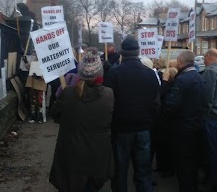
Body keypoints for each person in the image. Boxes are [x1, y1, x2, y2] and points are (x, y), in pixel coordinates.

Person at [49, 47, 114, 192]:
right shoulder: (108, 95)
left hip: (70, 152)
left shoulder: (68, 92)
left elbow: (55, 114)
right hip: (97, 154)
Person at [106, 36, 160, 192]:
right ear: (138, 52)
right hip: (143, 128)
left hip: (121, 128)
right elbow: (157, 103)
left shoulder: (114, 73)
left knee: (120, 171)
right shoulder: (150, 74)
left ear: (122, 52)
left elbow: (110, 102)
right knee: (143, 172)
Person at [161, 50, 206, 192]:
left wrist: (166, 84)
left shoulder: (182, 80)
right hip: (196, 126)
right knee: (193, 163)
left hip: (182, 129)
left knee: (183, 165)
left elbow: (170, 106)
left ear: (181, 61)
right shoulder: (199, 77)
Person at [200, 48, 217, 192]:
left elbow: (207, 98)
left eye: (204, 57)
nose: (203, 59)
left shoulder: (210, 71)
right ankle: (213, 179)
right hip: (216, 115)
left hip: (209, 117)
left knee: (211, 151)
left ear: (210, 56)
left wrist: (203, 115)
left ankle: (214, 182)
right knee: (213, 150)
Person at [24, 51, 47, 124]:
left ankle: (40, 116)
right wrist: (26, 61)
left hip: (40, 84)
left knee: (40, 101)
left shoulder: (45, 62)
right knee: (33, 101)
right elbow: (29, 67)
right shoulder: (34, 61)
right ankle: (33, 116)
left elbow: (46, 74)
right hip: (33, 83)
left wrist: (39, 76)